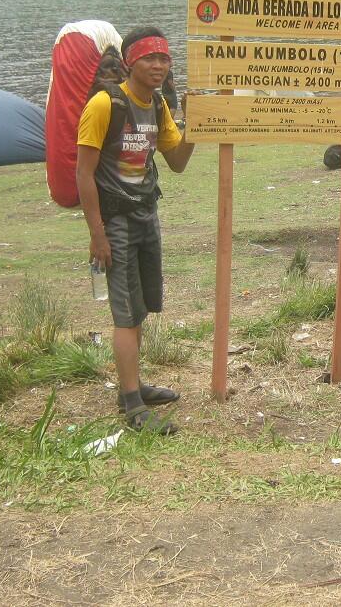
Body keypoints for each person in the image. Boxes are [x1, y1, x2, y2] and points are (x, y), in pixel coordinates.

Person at [76, 27, 195, 434]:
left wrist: (195, 127)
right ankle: (132, 406)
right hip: (116, 222)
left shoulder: (158, 105)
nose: (159, 66)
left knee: (140, 305)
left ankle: (135, 385)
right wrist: (97, 233)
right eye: (150, 59)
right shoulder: (105, 105)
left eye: (164, 59)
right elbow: (84, 173)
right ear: (130, 62)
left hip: (146, 213)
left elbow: (176, 162)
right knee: (125, 314)